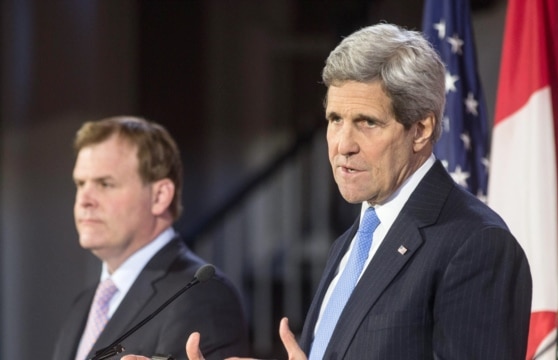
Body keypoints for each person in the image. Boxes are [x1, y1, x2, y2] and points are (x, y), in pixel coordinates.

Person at [126, 22, 533, 360]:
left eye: (367, 122)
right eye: (335, 119)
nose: (343, 143)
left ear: (421, 129)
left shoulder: (475, 245)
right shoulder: (355, 240)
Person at [52, 116, 250, 360]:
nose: (84, 200)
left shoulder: (202, 295)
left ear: (159, 196)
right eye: (80, 183)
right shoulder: (84, 304)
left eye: (105, 183)